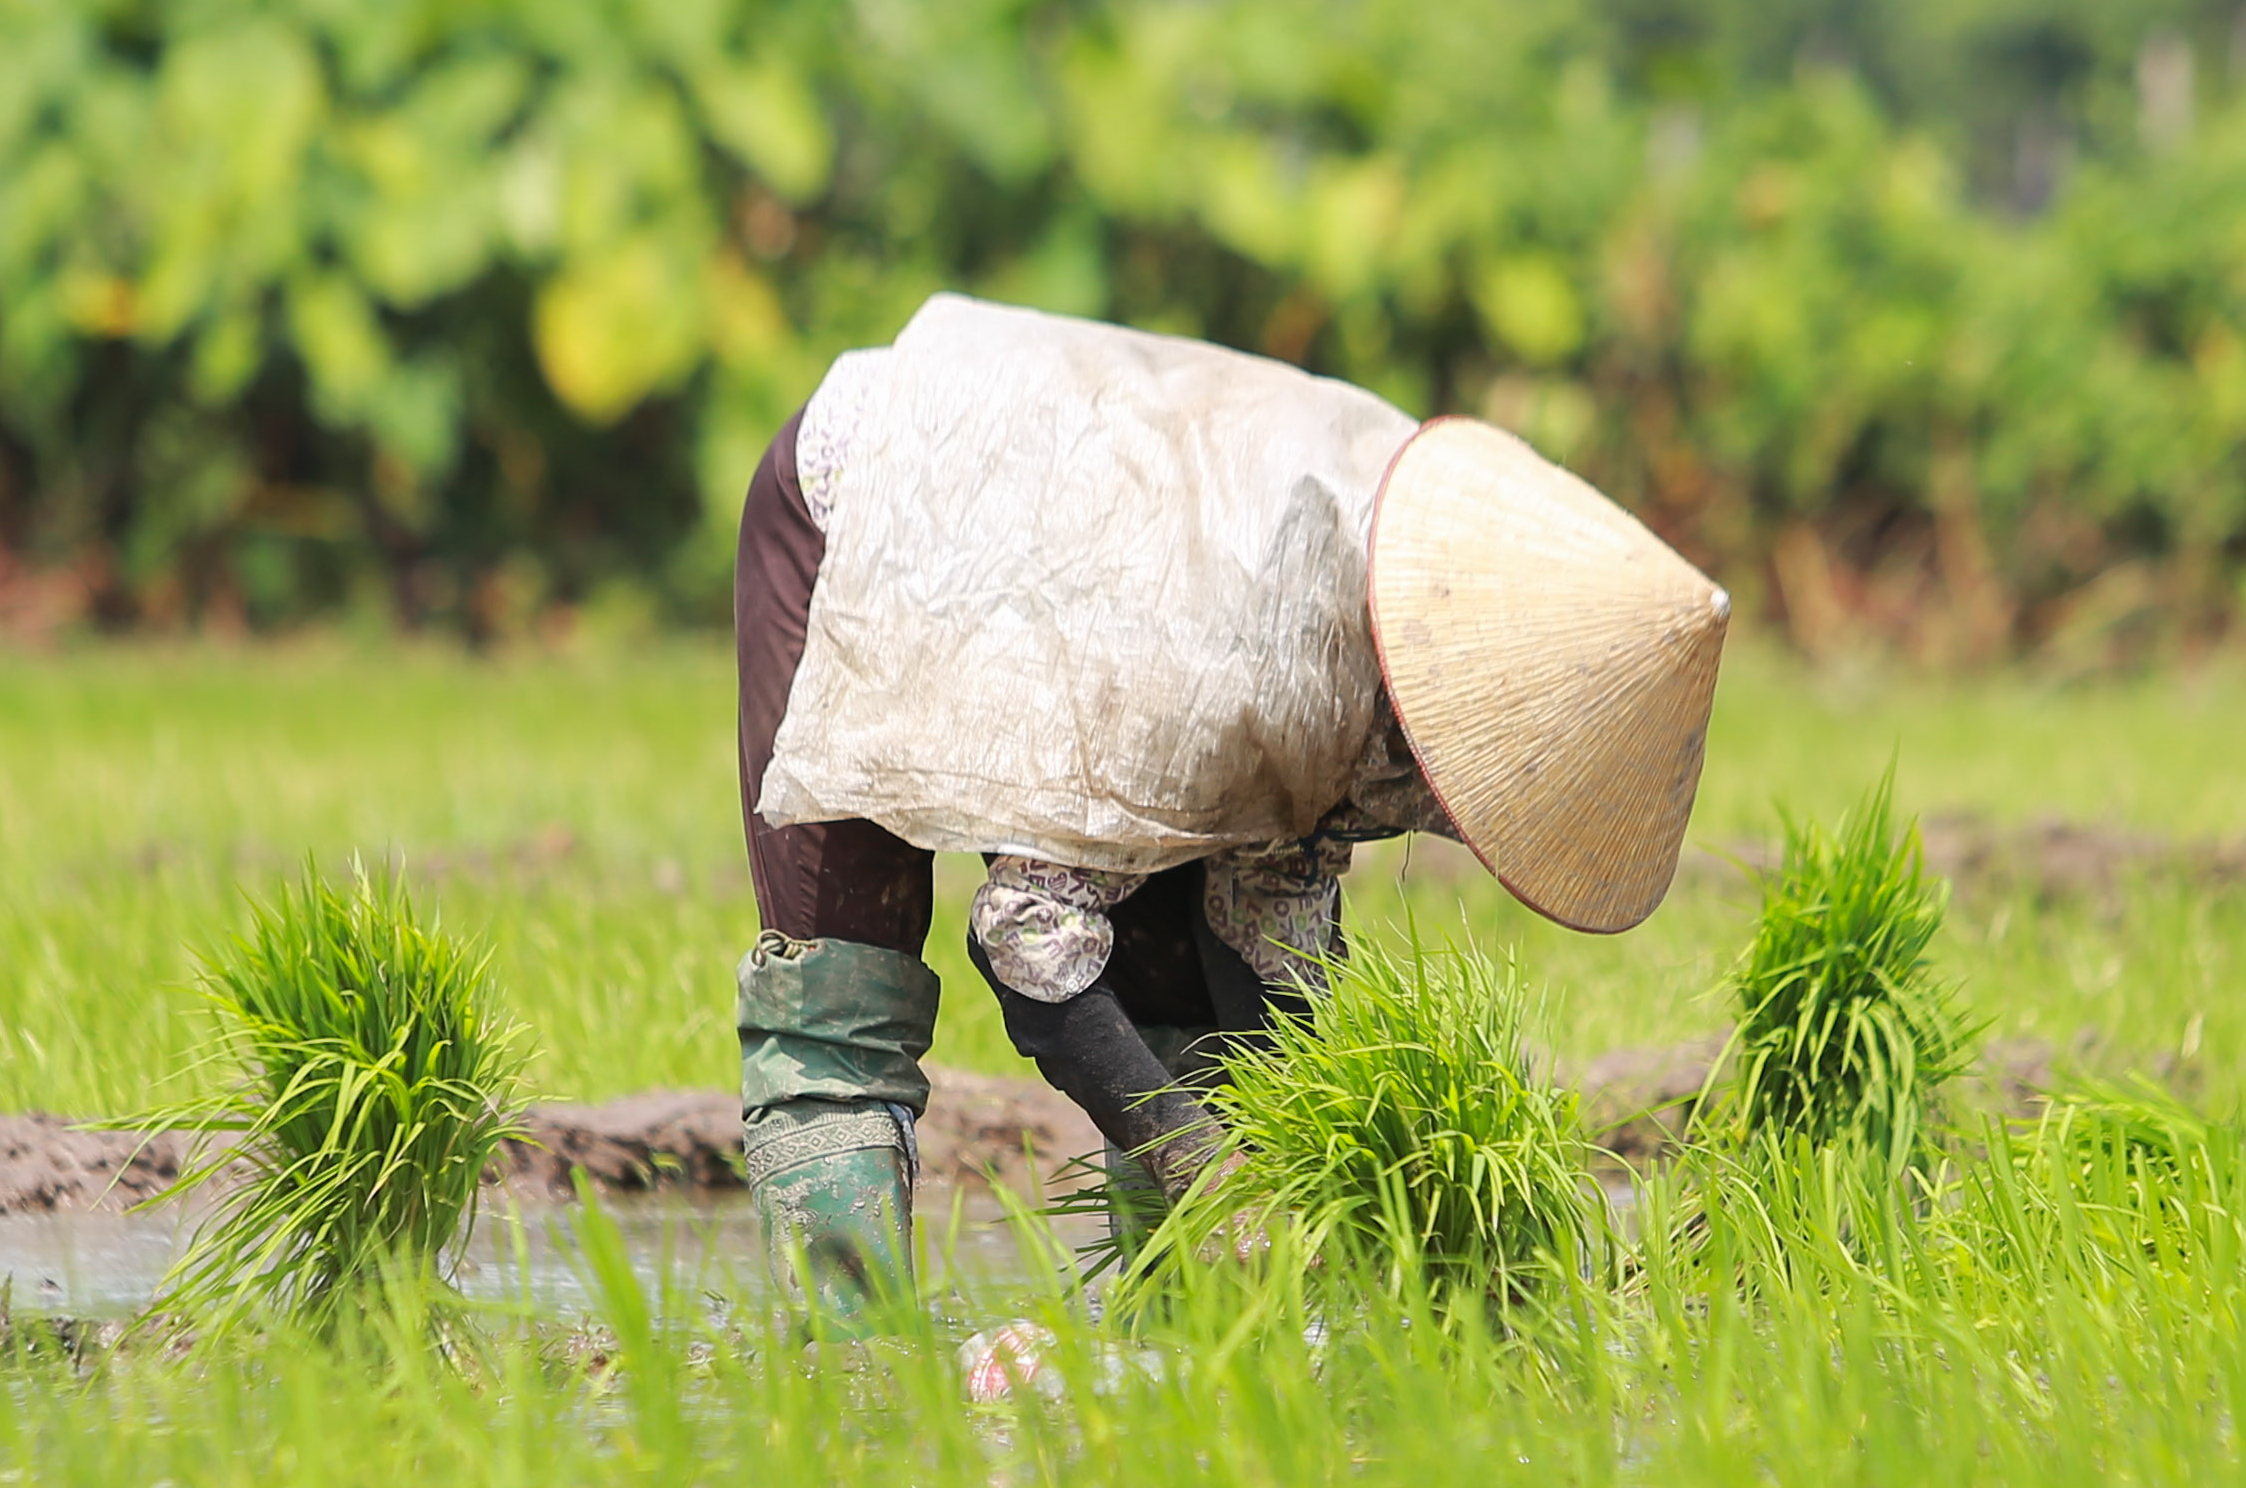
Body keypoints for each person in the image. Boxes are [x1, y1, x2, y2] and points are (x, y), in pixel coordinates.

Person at [732, 292, 1731, 1297]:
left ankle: (1196, 1348)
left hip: (1153, 569)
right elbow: (1028, 935)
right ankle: (845, 1361)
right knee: (843, 975)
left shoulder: (1384, 634)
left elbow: (1267, 910)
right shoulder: (1232, 673)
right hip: (891, 486)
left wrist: (1348, 1168)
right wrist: (1204, 1171)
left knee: (1185, 996)